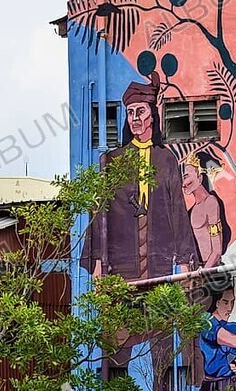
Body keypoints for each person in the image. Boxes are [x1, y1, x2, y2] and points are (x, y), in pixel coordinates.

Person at [83, 73, 199, 281]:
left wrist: (184, 262)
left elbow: (178, 211)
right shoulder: (113, 160)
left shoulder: (166, 159)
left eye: (140, 111)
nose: (135, 118)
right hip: (123, 261)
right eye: (130, 113)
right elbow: (100, 213)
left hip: (158, 259)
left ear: (152, 116)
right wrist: (98, 263)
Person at [181, 152, 230, 269]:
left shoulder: (211, 202)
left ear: (200, 177)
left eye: (186, 177)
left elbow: (216, 251)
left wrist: (204, 272)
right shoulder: (191, 211)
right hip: (197, 269)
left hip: (211, 270)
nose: (183, 184)